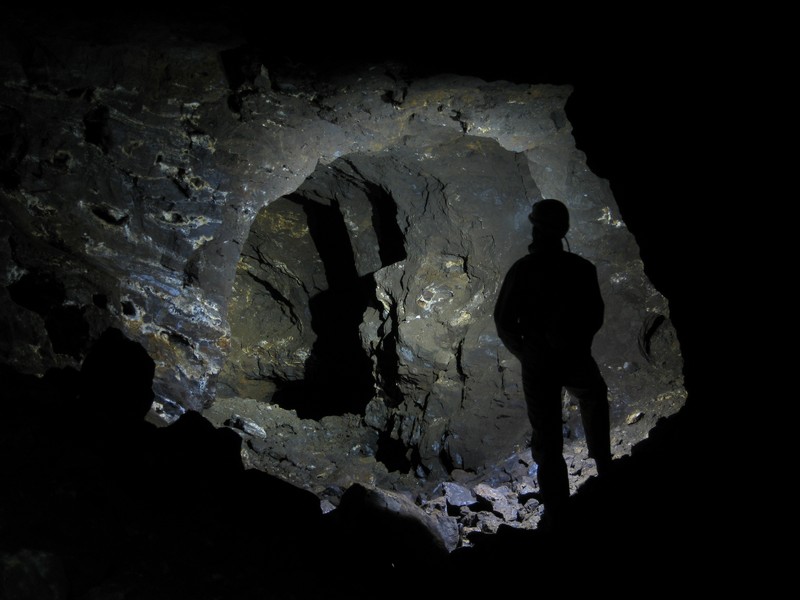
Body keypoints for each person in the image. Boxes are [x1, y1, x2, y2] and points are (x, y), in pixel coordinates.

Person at [494, 199, 612, 528]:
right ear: (564, 230)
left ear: (537, 229)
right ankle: (605, 467)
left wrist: (526, 352)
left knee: (546, 433)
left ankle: (558, 510)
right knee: (593, 397)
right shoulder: (581, 268)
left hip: (540, 361)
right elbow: (595, 315)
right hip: (573, 356)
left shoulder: (523, 270)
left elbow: (503, 321)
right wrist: (576, 342)